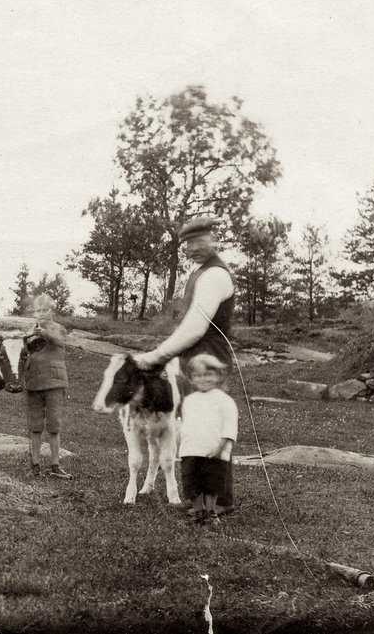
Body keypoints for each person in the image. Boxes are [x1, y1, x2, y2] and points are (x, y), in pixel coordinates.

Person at [135, 215, 236, 510]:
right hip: (193, 361)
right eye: (187, 244)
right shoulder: (200, 272)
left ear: (214, 240)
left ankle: (220, 501)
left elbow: (195, 327)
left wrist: (157, 356)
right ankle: (199, 499)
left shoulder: (215, 275)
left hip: (210, 362)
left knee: (211, 428)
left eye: (198, 241)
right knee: (195, 429)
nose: (191, 248)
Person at [178, 354, 238, 524]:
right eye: (198, 375)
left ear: (218, 376)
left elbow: (230, 426)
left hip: (213, 450)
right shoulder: (189, 400)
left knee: (211, 483)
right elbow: (186, 424)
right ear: (191, 379)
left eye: (208, 374)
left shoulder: (224, 400)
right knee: (192, 484)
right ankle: (199, 513)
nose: (203, 379)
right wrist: (179, 441)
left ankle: (211, 513)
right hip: (191, 450)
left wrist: (221, 447)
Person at [23, 294, 71, 479]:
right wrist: (27, 337)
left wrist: (43, 333)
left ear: (52, 311)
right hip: (33, 382)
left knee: (54, 425)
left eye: (45, 310)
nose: (41, 313)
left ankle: (55, 466)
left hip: (54, 383)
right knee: (35, 426)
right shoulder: (30, 331)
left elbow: (59, 340)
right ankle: (35, 465)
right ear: (34, 313)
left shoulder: (59, 328)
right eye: (38, 310)